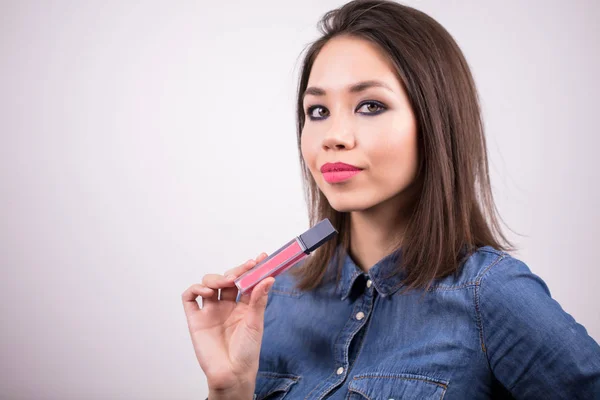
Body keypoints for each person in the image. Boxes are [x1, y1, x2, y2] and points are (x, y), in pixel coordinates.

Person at [182, 1, 600, 398]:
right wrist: (229, 391)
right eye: (318, 111)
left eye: (370, 105)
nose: (333, 137)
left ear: (436, 123)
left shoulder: (490, 294)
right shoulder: (272, 300)